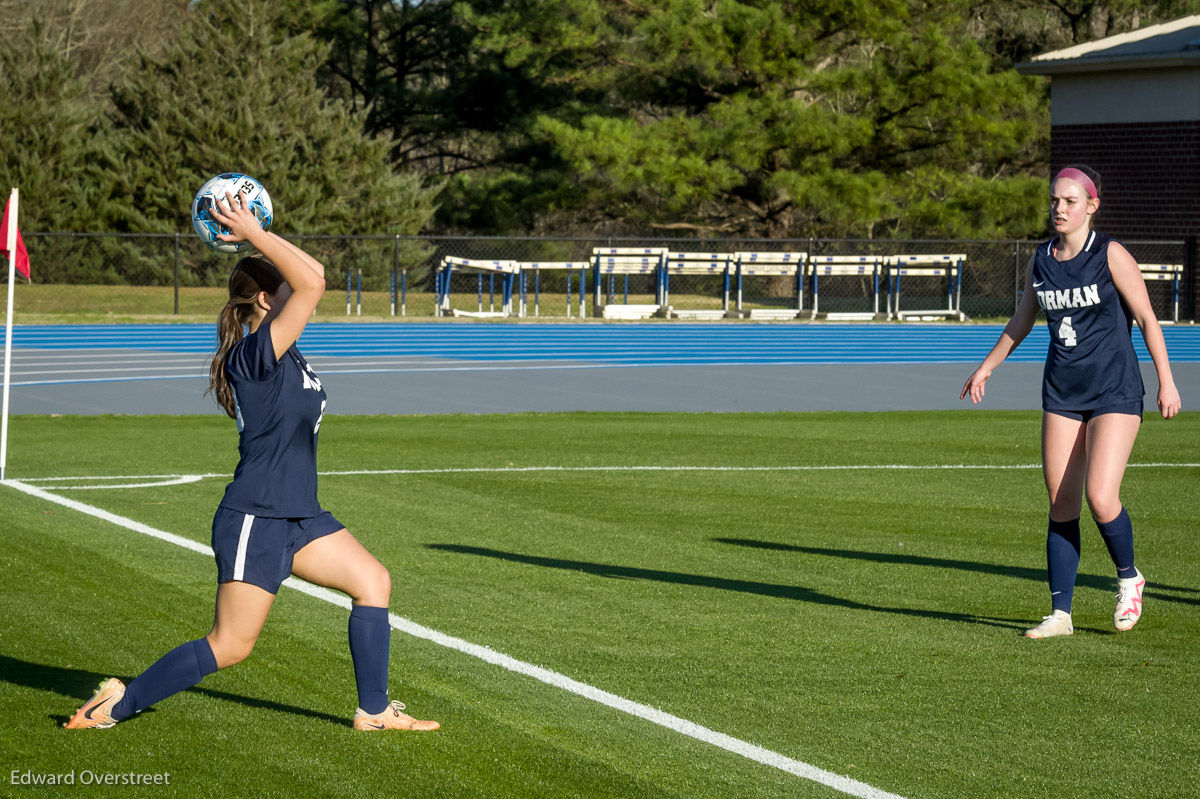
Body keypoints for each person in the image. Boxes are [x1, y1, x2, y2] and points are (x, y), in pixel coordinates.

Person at [65, 190, 438, 730]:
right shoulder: (256, 355)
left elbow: (315, 273)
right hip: (256, 517)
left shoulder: (285, 347)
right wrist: (255, 236)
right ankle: (119, 703)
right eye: (280, 288)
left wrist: (255, 234)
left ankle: (374, 711)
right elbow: (312, 283)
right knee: (231, 646)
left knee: (373, 581)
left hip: (299, 515)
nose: (301, 293)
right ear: (266, 300)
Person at [961, 165, 1182, 639]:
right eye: (1055, 201)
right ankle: (1060, 614)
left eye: (1070, 201)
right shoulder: (1040, 260)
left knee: (1100, 496)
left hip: (1115, 391)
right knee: (1062, 502)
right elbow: (1022, 319)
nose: (1059, 208)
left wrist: (1167, 380)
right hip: (1062, 393)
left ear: (1091, 205)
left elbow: (1146, 317)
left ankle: (1129, 578)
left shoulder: (1111, 254)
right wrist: (987, 366)